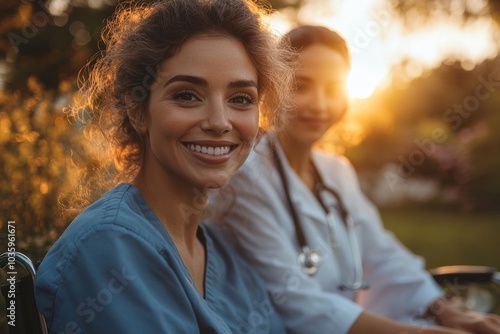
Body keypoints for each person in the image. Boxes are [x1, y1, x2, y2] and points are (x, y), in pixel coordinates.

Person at [208, 25, 500, 334]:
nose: (319, 104)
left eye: (333, 88)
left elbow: (383, 255)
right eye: (300, 86)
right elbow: (297, 302)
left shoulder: (336, 170)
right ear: (273, 88)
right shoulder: (245, 177)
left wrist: (449, 313)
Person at [34, 0, 296, 333]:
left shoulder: (227, 259)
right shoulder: (109, 249)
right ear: (138, 110)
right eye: (187, 95)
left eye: (241, 99)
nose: (219, 122)